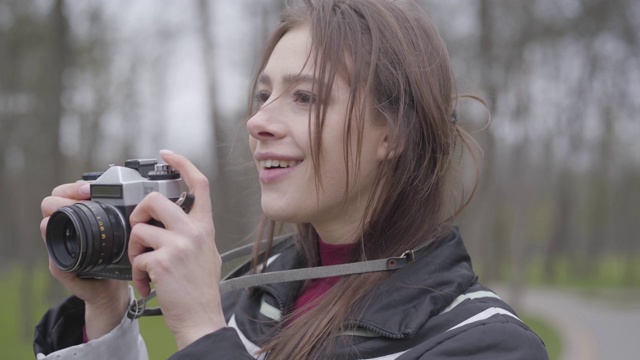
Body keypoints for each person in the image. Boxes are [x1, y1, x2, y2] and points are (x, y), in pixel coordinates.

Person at [34, 0, 549, 359]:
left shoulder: (482, 342)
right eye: (263, 95)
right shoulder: (247, 300)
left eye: (305, 97)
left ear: (392, 135)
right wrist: (104, 313)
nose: (259, 121)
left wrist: (200, 332)